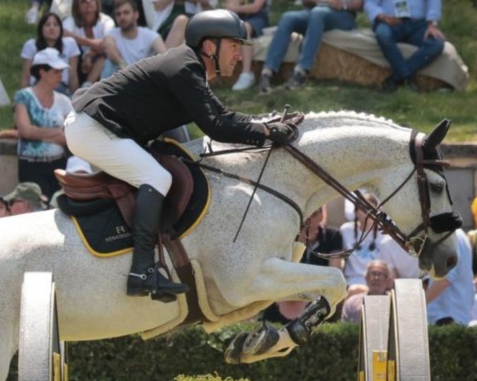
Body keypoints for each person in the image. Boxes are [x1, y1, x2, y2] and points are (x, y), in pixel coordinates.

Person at [63, 9, 303, 301]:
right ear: (209, 46)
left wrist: (268, 125)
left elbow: (223, 115)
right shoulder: (184, 68)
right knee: (157, 176)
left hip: (100, 128)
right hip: (93, 128)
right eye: (234, 46)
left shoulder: (190, 68)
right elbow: (216, 127)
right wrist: (266, 134)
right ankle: (142, 271)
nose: (239, 56)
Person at [257, 0, 363, 93]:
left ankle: (301, 71)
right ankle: (268, 71)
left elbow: (360, 4)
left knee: (318, 13)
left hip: (343, 15)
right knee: (288, 17)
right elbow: (305, 2)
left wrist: (343, 5)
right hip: (316, 11)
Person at [15, 48, 74, 198]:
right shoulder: (23, 96)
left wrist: (37, 132)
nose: (60, 76)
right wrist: (56, 133)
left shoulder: (64, 101)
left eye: (61, 71)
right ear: (42, 72)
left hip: (58, 165)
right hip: (30, 165)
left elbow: (70, 137)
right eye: (56, 71)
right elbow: (25, 131)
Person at [364, 0, 446, 92]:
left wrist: (432, 24)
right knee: (382, 35)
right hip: (389, 22)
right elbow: (370, 3)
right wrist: (381, 16)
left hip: (418, 25)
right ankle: (406, 77)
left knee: (436, 44)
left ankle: (397, 77)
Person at [101, 0, 166, 79]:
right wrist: (125, 67)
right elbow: (110, 49)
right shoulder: (112, 34)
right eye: (118, 14)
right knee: (110, 63)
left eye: (126, 12)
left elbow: (164, 55)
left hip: (142, 80)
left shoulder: (149, 35)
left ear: (136, 15)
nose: (122, 17)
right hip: (120, 78)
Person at [21, 12, 81, 95]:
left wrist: (76, 98)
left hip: (62, 87)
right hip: (37, 86)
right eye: (47, 25)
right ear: (41, 28)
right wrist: (25, 98)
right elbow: (26, 76)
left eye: (56, 25)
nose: (51, 28)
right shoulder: (31, 45)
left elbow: (73, 75)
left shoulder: (70, 43)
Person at [426, 229, 475, 326]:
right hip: (451, 316)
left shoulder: (448, 236)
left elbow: (445, 279)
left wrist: (417, 304)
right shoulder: (455, 234)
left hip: (446, 317)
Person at [63, 0, 116, 87]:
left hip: (98, 61)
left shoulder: (106, 21)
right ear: (77, 7)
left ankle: (86, 86)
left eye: (91, 0)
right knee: (69, 44)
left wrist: (89, 55)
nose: (88, 3)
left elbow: (107, 43)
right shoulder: (70, 21)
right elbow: (64, 33)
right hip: (77, 62)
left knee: (105, 55)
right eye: (83, 1)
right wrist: (93, 44)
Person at [340, 192, 384, 295]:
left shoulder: (384, 233)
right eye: (363, 209)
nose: (367, 214)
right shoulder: (346, 230)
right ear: (355, 212)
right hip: (353, 282)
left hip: (377, 282)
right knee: (354, 290)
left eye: (371, 209)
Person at [224, 0, 269, 91]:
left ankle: (246, 74)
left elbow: (256, 7)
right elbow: (229, 6)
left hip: (256, 18)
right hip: (237, 16)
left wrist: (234, 8)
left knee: (244, 28)